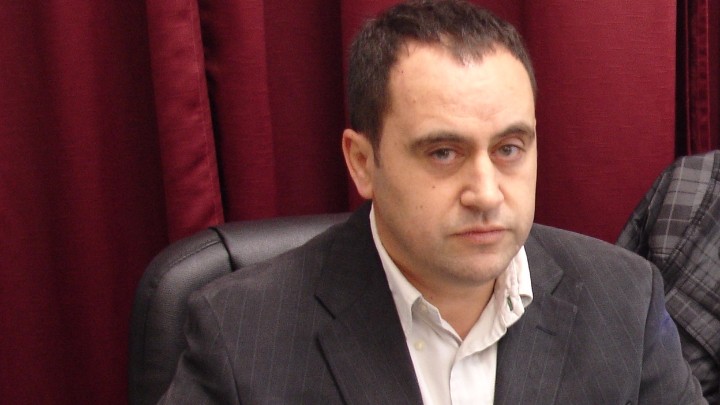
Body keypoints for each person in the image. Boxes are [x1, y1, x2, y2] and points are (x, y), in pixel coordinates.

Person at [159, 1, 706, 403]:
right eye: (443, 153)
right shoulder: (240, 333)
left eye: (509, 149)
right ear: (362, 162)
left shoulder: (624, 301)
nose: (486, 193)